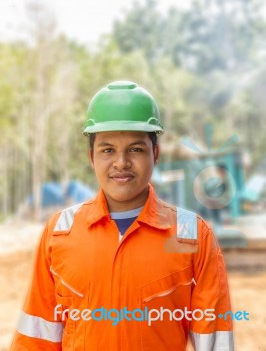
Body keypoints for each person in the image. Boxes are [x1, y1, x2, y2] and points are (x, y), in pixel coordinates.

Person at [10, 81, 234, 350]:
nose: (121, 162)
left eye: (136, 149)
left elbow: (215, 341)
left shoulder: (192, 235)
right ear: (91, 156)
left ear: (156, 154)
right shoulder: (60, 232)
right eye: (108, 150)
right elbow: (36, 337)